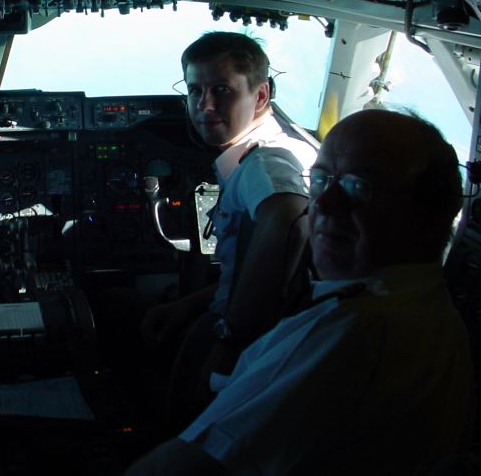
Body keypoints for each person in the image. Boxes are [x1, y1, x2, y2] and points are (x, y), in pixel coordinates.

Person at [127, 109, 475, 475]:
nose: (324, 204)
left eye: (360, 186)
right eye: (321, 180)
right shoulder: (427, 309)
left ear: (431, 211)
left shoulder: (351, 333)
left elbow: (192, 465)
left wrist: (227, 341)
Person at [140, 32, 317, 429]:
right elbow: (256, 265)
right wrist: (189, 304)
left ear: (259, 96)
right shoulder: (277, 150)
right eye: (195, 90)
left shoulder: (266, 160)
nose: (205, 106)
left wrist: (231, 341)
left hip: (254, 345)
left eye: (222, 90)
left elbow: (287, 218)